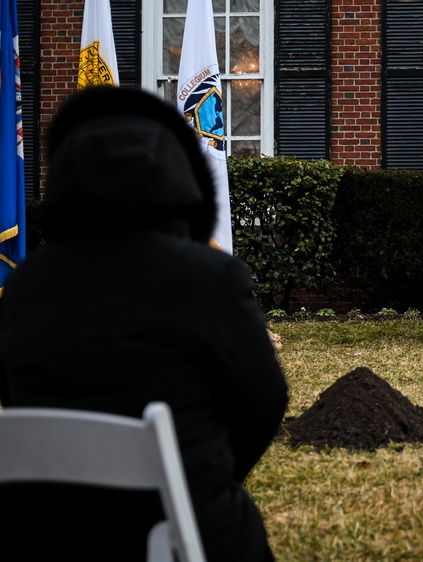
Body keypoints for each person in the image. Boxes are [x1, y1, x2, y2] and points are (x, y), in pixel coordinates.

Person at [0, 86, 289, 562]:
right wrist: (202, 473)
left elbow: (15, 396)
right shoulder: (212, 278)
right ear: (178, 181)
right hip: (177, 528)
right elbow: (263, 401)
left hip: (45, 530)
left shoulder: (26, 282)